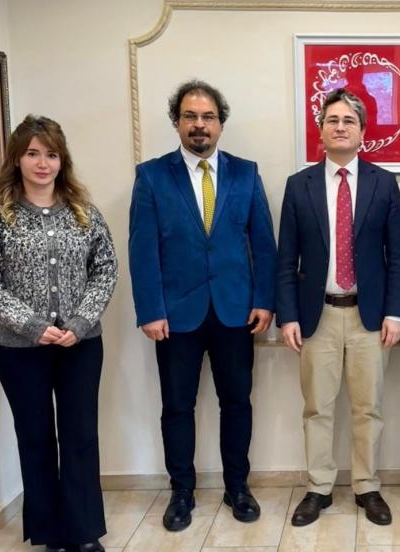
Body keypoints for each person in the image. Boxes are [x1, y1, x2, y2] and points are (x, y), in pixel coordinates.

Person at [128, 80, 277, 531]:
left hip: (235, 311)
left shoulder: (246, 173)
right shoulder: (152, 176)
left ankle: (238, 487)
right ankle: (182, 493)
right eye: (190, 116)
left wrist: (264, 300)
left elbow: (264, 244)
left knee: (237, 402)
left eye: (208, 117)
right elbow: (142, 249)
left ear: (220, 124)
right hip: (176, 316)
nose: (199, 124)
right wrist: (150, 309)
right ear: (177, 122)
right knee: (177, 407)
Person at [0, 115, 117, 552]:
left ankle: (83, 532)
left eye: (51, 154)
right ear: (17, 158)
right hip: (19, 349)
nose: (42, 163)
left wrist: (80, 322)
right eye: (33, 154)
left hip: (80, 346)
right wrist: (33, 325)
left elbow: (105, 270)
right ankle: (50, 534)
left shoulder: (85, 213)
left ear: (62, 160)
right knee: (35, 438)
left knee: (80, 436)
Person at [276, 88, 400, 527]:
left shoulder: (383, 183)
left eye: (348, 120)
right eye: (332, 120)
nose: (340, 127)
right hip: (318, 316)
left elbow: (398, 256)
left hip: (370, 317)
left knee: (369, 407)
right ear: (321, 130)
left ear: (362, 131)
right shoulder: (299, 185)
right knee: (318, 407)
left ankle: (367, 486)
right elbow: (286, 257)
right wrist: (288, 315)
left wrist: (395, 312)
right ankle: (319, 487)